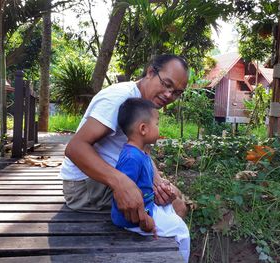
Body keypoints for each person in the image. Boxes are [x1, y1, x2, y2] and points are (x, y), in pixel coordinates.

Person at [59, 54, 189, 224]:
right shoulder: (119, 98)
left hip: (112, 177)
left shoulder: (145, 104)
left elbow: (141, 148)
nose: (168, 95)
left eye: (176, 93)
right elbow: (75, 148)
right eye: (167, 84)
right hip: (85, 187)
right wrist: (120, 183)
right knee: (176, 208)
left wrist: (156, 180)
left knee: (175, 195)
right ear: (150, 72)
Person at [111, 98, 190, 262]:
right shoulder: (132, 158)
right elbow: (124, 197)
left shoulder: (141, 153)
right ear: (143, 129)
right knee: (181, 229)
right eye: (157, 123)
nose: (159, 128)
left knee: (173, 210)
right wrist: (144, 219)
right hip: (134, 219)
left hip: (148, 207)